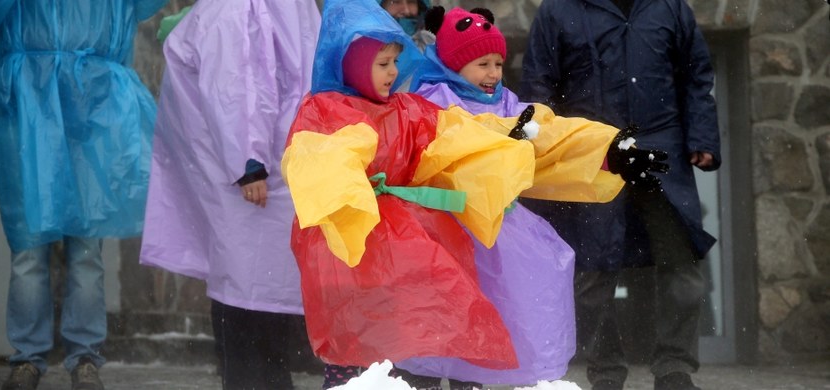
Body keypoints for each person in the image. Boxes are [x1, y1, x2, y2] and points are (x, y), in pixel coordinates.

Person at [281, 0, 554, 388]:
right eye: (382, 63)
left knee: (412, 333)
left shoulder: (407, 109)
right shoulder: (323, 110)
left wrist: (501, 139)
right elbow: (316, 161)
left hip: (398, 238)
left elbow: (455, 136)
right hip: (344, 243)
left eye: (395, 61)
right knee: (351, 339)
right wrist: (355, 203)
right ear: (352, 64)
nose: (394, 71)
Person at [398, 7, 668, 387]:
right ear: (453, 64)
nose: (493, 73)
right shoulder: (430, 100)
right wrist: (502, 143)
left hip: (498, 233)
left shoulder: (509, 104)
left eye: (498, 63)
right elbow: (448, 144)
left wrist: (611, 151)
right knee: (436, 321)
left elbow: (554, 135)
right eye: (482, 64)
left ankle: (474, 381)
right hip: (444, 232)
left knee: (489, 320)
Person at [0, 1, 165, 389]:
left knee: (80, 246)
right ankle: (31, 358)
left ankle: (79, 359)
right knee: (32, 245)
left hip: (87, 99)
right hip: (35, 97)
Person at [521, 1, 721, 389]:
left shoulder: (669, 6)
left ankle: (674, 369)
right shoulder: (558, 11)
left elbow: (697, 76)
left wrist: (702, 136)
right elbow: (539, 87)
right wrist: (551, 148)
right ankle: (606, 372)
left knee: (682, 266)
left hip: (662, 150)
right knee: (593, 272)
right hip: (593, 155)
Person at [137, 1, 320, 389]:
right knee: (250, 291)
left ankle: (262, 378)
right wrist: (248, 161)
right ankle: (259, 379)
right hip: (255, 173)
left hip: (267, 165)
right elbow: (238, 87)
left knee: (254, 288)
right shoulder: (243, 8)